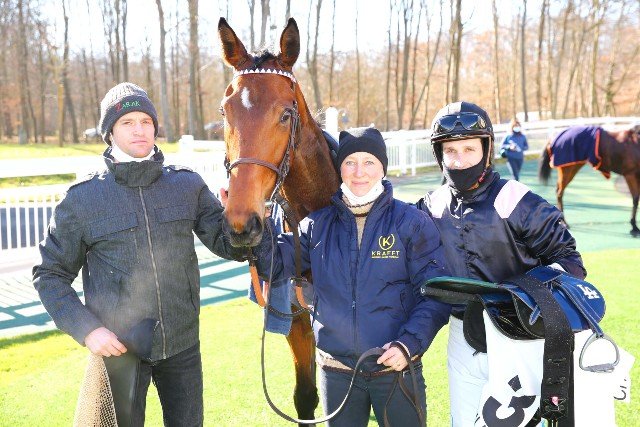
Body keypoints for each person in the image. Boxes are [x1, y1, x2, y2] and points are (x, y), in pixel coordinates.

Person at [33, 82, 244, 427]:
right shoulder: (82, 199)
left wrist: (240, 219)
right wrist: (88, 330)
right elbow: (49, 275)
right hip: (120, 348)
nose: (139, 130)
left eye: (146, 121)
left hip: (182, 343)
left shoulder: (187, 185)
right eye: (127, 122)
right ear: (110, 133)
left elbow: (230, 247)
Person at [254, 127, 451, 426]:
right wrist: (259, 221)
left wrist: (408, 344)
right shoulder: (315, 226)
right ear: (340, 169)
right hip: (337, 374)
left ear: (383, 168)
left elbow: (434, 294)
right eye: (350, 162)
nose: (359, 172)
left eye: (369, 162)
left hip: (395, 368)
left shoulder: (412, 222)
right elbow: (274, 264)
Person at [417, 102, 586, 427]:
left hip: (520, 333)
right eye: (450, 151)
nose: (459, 160)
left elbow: (570, 262)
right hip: (462, 333)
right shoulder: (431, 206)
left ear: (487, 149)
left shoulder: (517, 200)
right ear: (439, 155)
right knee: (464, 422)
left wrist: (525, 295)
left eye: (469, 149)